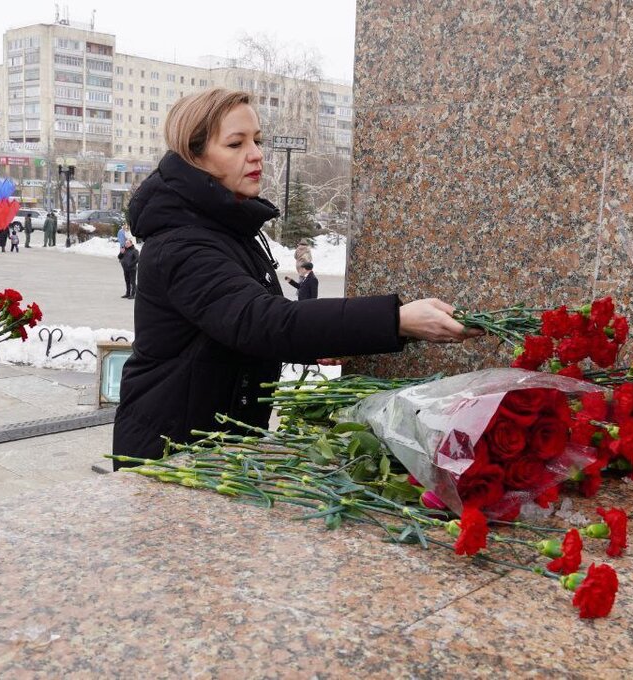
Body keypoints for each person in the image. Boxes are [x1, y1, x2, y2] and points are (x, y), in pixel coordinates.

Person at [112, 89, 479, 464]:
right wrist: (397, 320)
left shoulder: (224, 226)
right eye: (236, 144)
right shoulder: (182, 243)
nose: (256, 154)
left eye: (257, 140)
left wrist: (317, 341)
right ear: (195, 157)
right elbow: (261, 322)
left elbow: (239, 323)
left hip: (214, 443)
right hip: (167, 451)